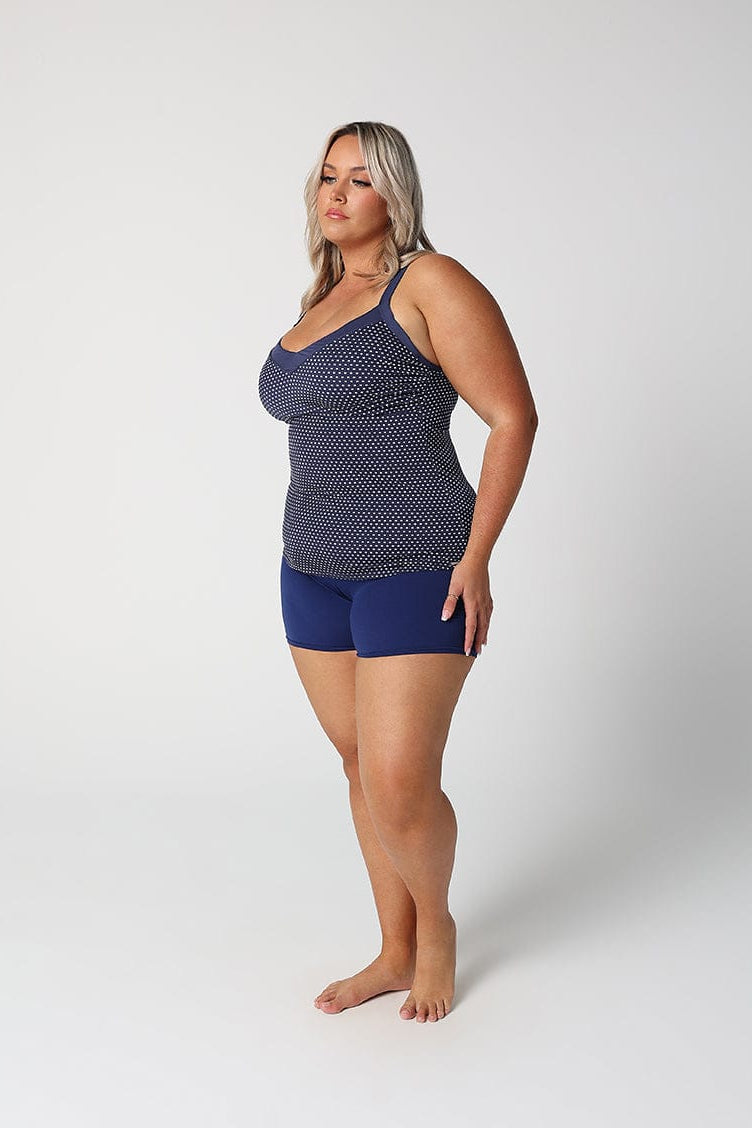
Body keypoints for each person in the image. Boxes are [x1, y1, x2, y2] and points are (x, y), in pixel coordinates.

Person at [258, 121, 538, 1023]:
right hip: (312, 568)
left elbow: (510, 415)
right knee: (354, 764)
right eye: (326, 177)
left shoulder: (430, 282)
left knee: (398, 780)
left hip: (418, 563)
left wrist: (476, 557)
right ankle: (391, 947)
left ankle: (437, 931)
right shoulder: (321, 298)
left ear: (395, 196)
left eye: (358, 180)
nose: (334, 192)